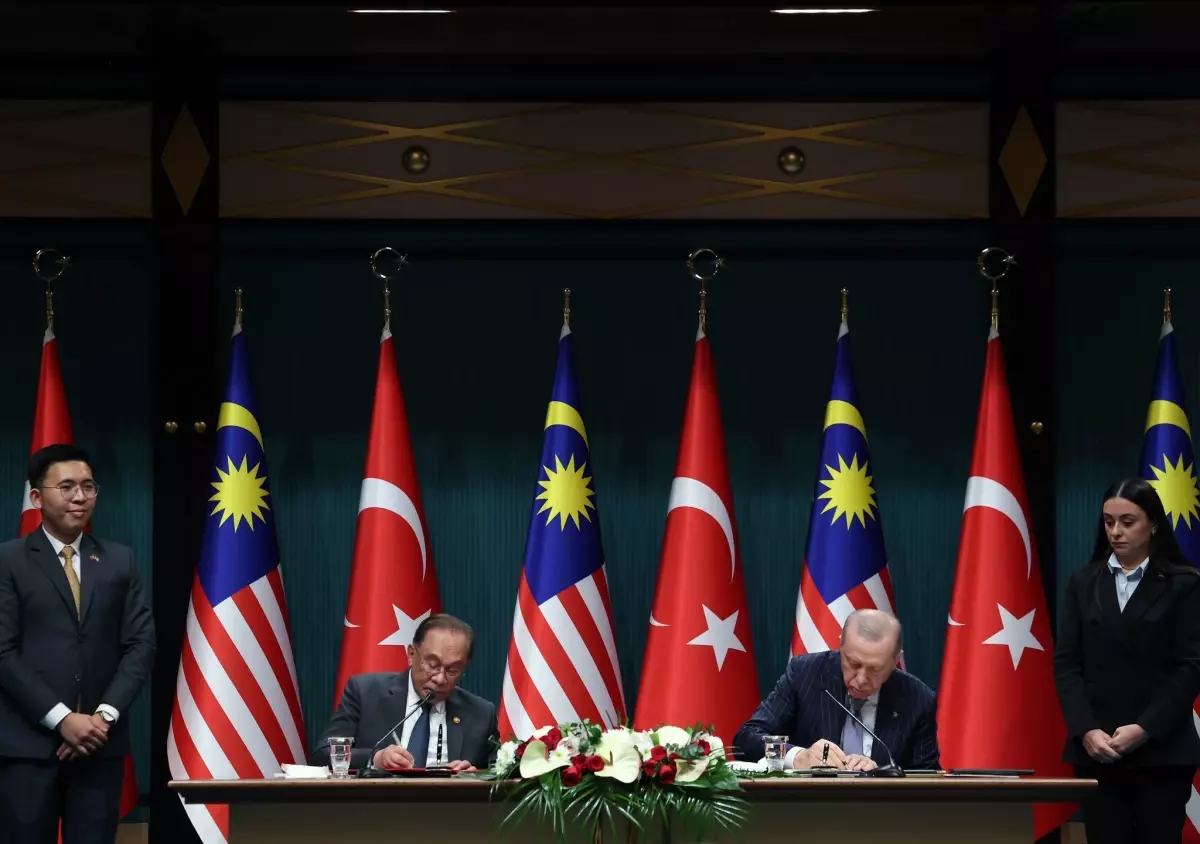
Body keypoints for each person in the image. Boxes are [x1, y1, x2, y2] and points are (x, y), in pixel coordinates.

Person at [0, 444, 156, 844]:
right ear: (37, 497)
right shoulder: (9, 561)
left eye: (88, 486)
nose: (80, 496)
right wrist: (62, 718)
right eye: (66, 486)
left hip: (98, 747)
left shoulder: (120, 560)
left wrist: (102, 718)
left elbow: (141, 645)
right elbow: (3, 652)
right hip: (28, 749)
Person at [1054, 477, 1200, 844]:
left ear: (1153, 524)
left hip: (1162, 751)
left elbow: (1191, 667)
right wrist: (1086, 730)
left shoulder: (1185, 584)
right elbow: (1067, 664)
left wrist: (1145, 727)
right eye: (1108, 522)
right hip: (1097, 749)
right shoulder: (1084, 583)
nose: (1116, 532)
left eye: (1127, 521)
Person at [733, 609, 939, 771]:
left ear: (895, 661)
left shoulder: (917, 699)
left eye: (874, 669)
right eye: (853, 663)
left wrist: (883, 775)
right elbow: (746, 739)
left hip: (880, 810)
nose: (860, 679)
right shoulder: (805, 674)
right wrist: (797, 756)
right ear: (841, 646)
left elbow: (928, 777)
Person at [313, 613, 497, 773]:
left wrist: (475, 776)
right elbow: (323, 755)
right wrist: (375, 758)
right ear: (411, 654)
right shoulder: (365, 693)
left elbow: (499, 773)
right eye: (432, 665)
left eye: (453, 670)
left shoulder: (481, 713)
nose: (440, 679)